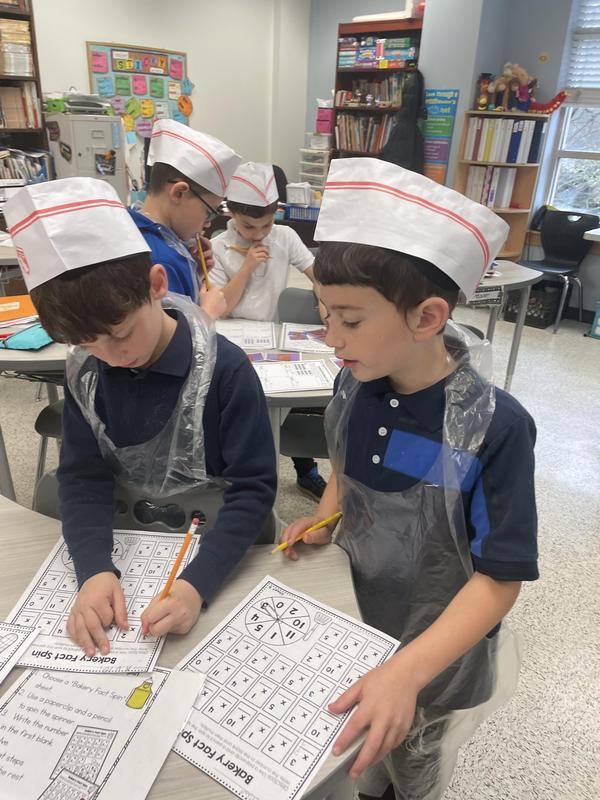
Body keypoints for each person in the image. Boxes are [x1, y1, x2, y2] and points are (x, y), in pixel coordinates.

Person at [280, 158, 538, 800]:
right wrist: (327, 512)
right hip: (358, 613)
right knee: (362, 747)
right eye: (324, 313)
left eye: (350, 319)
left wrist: (407, 670)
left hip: (434, 650)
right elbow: (347, 462)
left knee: (409, 761)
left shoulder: (493, 429)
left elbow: (498, 579)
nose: (330, 338)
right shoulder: (358, 378)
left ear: (426, 318)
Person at [5, 177, 277, 659]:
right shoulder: (90, 370)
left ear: (156, 284)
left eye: (119, 334)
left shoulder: (226, 372)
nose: (109, 357)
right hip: (126, 550)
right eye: (87, 345)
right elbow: (83, 477)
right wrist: (93, 569)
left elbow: (252, 490)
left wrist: (198, 585)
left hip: (209, 556)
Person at [210, 161, 326, 500]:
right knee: (241, 408)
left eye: (267, 223)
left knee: (292, 396)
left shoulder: (285, 237)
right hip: (232, 338)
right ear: (230, 213)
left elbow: (315, 273)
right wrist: (246, 266)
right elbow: (222, 306)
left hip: (272, 336)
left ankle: (306, 471)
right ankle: (237, 476)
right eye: (249, 226)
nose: (259, 233)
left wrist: (328, 305)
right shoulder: (218, 247)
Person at [128, 118, 242, 318]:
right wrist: (207, 314)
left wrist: (192, 271)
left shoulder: (138, 229)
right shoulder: (160, 259)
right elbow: (175, 344)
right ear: (179, 193)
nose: (207, 223)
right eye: (209, 212)